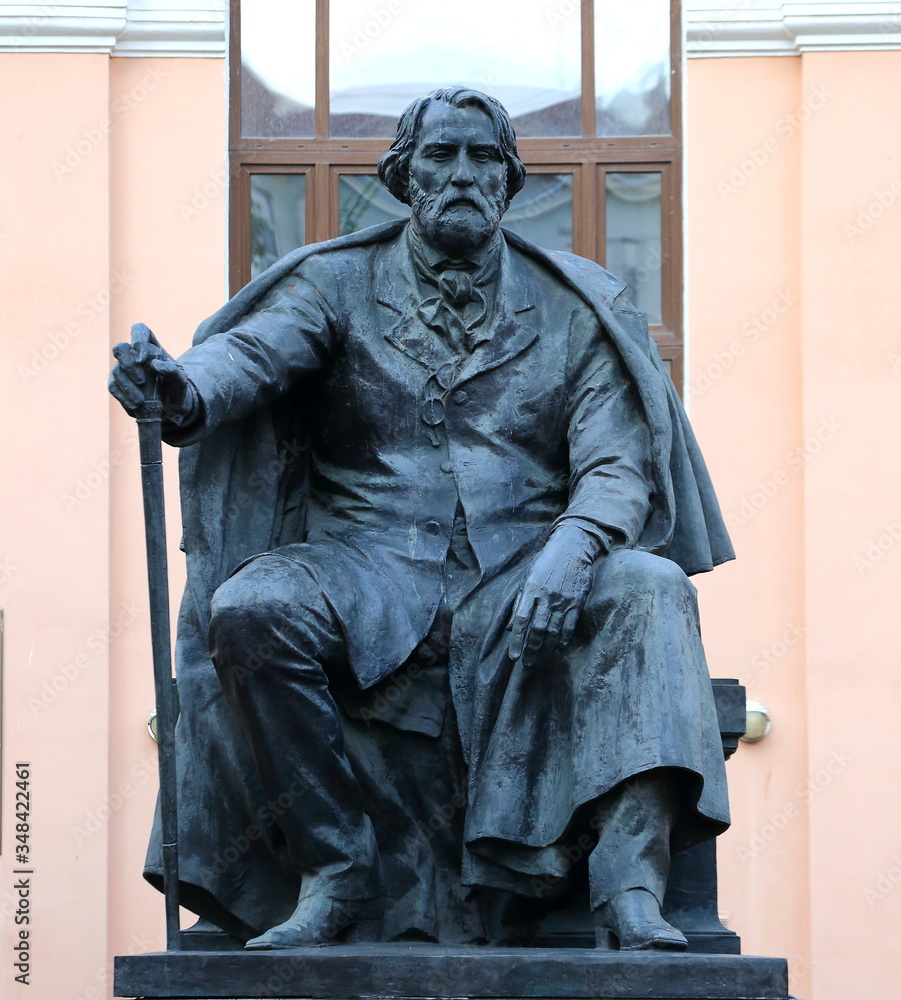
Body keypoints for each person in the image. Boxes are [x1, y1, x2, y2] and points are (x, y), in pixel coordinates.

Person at [109, 87, 734, 952]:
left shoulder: (575, 305)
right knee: (252, 609)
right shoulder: (335, 284)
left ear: (509, 180)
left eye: (483, 158)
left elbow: (617, 464)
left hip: (525, 565)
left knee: (650, 589)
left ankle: (628, 887)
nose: (463, 175)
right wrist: (180, 388)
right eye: (441, 155)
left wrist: (574, 547)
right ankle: (336, 870)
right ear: (403, 177)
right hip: (365, 565)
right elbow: (249, 356)